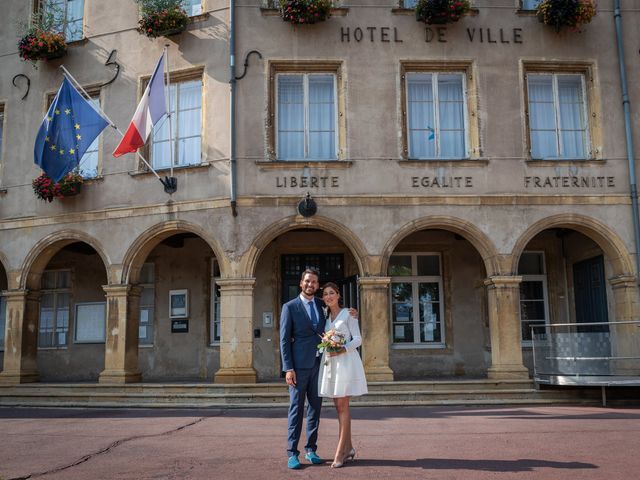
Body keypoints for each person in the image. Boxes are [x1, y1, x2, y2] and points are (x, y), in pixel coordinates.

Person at [280, 269, 357, 470]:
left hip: (320, 365)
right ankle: (292, 453)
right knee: (296, 409)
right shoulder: (290, 307)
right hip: (298, 367)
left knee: (315, 409)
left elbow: (338, 318)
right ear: (301, 283)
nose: (310, 285)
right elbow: (284, 341)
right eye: (307, 281)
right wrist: (288, 368)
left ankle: (311, 449)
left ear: (317, 285)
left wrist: (352, 312)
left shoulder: (322, 305)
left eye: (314, 282)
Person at [318, 282, 368, 468]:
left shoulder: (349, 314)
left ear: (338, 295)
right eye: (325, 294)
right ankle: (349, 448)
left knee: (342, 406)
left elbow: (358, 339)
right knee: (338, 406)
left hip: (346, 362)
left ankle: (340, 452)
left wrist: (342, 349)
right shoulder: (325, 315)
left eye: (332, 293)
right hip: (331, 364)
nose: (329, 296)